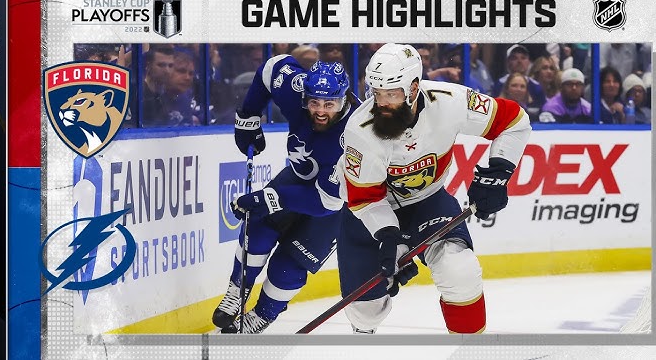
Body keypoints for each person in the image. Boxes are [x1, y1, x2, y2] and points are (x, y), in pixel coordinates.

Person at [337, 43, 531, 334]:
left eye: (392, 94)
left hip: (427, 201)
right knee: (366, 314)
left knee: (460, 270)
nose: (383, 104)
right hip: (368, 213)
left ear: (414, 88)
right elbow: (364, 198)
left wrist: (499, 172)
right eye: (377, 94)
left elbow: (514, 121)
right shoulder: (359, 130)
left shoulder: (451, 100)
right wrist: (389, 238)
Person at [213, 56, 360, 334]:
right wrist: (248, 116)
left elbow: (325, 202)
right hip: (299, 177)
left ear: (344, 101)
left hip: (336, 203)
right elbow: (271, 69)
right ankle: (237, 289)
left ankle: (262, 315)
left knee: (289, 265)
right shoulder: (296, 88)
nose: (319, 111)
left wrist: (268, 198)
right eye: (314, 102)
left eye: (329, 104)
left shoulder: (357, 134)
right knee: (258, 226)